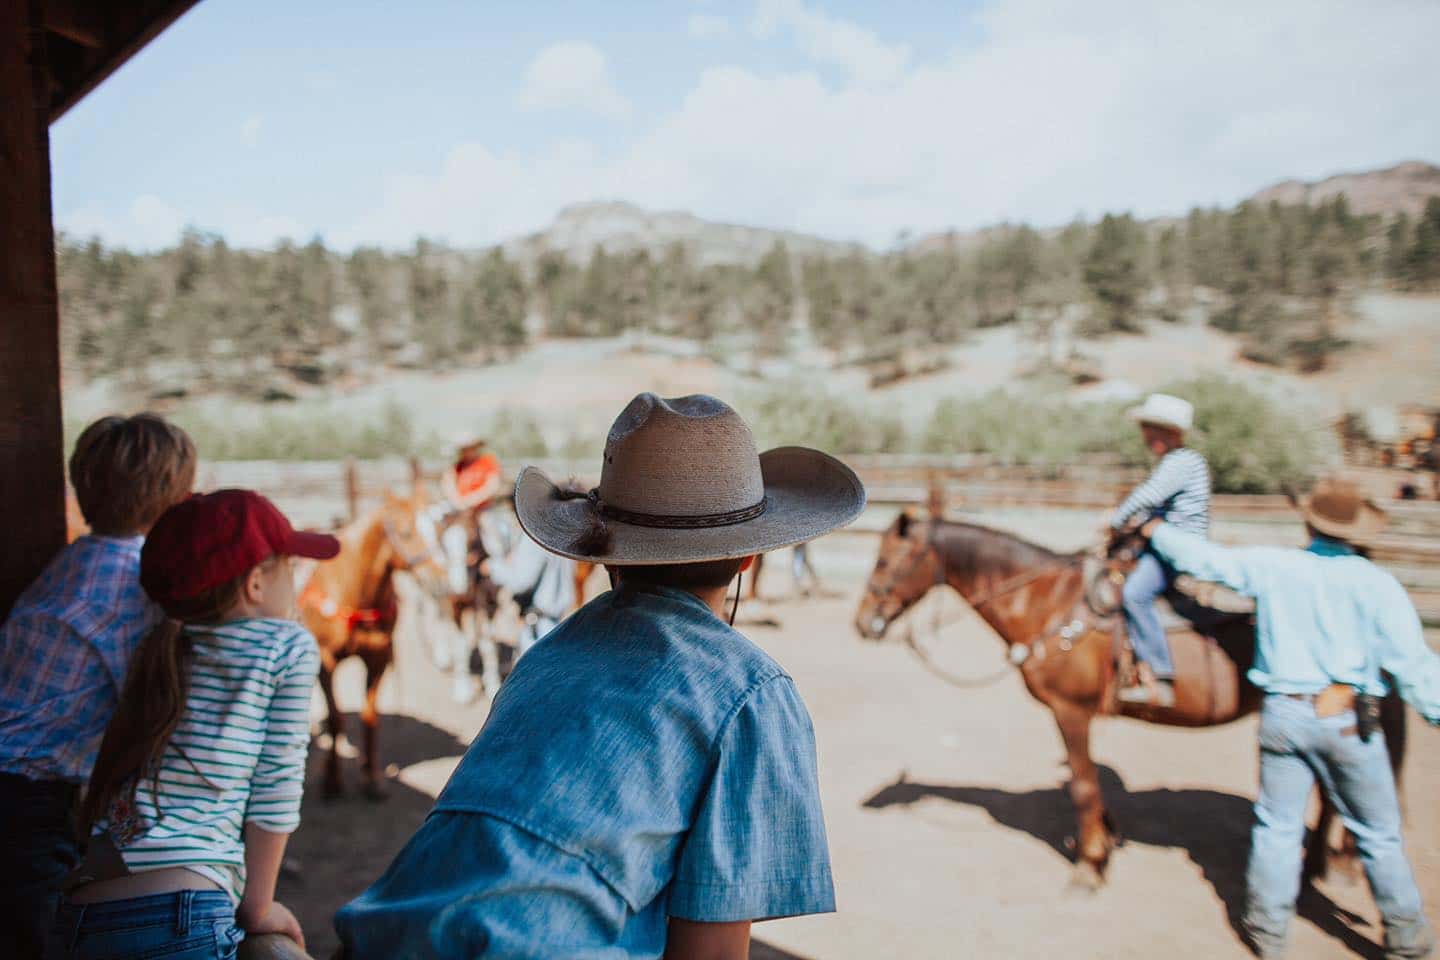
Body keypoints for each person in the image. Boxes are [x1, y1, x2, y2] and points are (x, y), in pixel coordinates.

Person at [335, 393, 866, 958]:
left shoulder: (544, 659)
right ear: (748, 558)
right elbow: (709, 952)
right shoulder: (751, 694)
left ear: (607, 552)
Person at [1140, 478, 1439, 959]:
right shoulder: (1377, 584)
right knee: (1377, 834)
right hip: (1344, 717)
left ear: (1310, 523)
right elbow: (1412, 664)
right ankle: (1406, 938)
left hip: (1282, 711)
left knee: (1276, 824)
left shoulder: (1275, 565)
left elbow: (1209, 562)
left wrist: (1157, 531)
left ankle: (1267, 929)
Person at [50, 490, 340, 959]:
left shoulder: (157, 644)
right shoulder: (285, 646)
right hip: (180, 914)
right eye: (290, 568)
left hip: (81, 913)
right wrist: (260, 907)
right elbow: (276, 787)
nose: (297, 582)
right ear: (255, 585)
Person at [0, 414, 196, 958]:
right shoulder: (138, 584)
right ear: (176, 495)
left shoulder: (73, 561)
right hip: (24, 801)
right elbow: (153, 709)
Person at [1109, 392, 1211, 706]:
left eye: (1157, 430)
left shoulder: (1183, 462)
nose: (1149, 436)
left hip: (1176, 549)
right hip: (1164, 543)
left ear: (1174, 433)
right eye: (1148, 429)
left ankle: (1161, 672)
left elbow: (1147, 496)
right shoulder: (1176, 462)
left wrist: (1114, 521)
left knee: (1135, 594)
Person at [484, 525, 577, 658]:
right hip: (556, 620)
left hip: (539, 626)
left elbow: (521, 582)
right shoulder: (561, 532)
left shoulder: (534, 536)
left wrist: (493, 567)